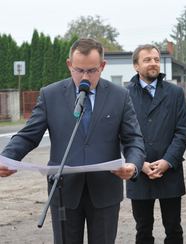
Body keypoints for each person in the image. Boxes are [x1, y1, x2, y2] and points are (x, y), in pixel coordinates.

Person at [0, 38, 145, 244]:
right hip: (63, 191)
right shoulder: (50, 95)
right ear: (69, 65)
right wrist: (7, 157)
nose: (85, 76)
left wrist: (133, 165)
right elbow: (28, 135)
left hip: (104, 192)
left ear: (102, 66)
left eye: (92, 71)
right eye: (79, 70)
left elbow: (134, 140)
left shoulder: (119, 96)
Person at [126, 44, 186, 244]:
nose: (153, 63)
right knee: (143, 230)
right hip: (139, 172)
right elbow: (122, 135)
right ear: (136, 65)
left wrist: (168, 161)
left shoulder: (175, 93)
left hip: (169, 170)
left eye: (156, 59)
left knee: (174, 229)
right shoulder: (124, 95)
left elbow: (181, 132)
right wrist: (139, 163)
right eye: (147, 60)